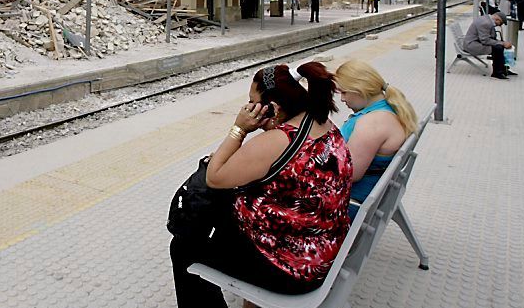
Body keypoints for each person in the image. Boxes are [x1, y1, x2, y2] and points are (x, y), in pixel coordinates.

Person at [170, 63, 352, 304]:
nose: (248, 108)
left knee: (183, 247)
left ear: (273, 108)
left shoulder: (277, 140)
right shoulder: (322, 124)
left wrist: (239, 129)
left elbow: (214, 177)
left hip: (291, 269)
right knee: (214, 212)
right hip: (321, 246)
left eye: (252, 102)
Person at [334, 60, 418, 219]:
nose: (342, 99)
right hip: (369, 190)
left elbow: (349, 174)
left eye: (344, 92)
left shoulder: (372, 123)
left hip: (350, 203)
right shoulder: (390, 108)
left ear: (360, 90)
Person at [463, 10, 515, 79]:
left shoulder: (487, 19)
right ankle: (497, 72)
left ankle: (503, 69)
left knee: (499, 46)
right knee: (498, 49)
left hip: (475, 42)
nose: (498, 25)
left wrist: (501, 43)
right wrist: (502, 43)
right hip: (472, 45)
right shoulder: (486, 23)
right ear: (497, 19)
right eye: (500, 24)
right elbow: (485, 40)